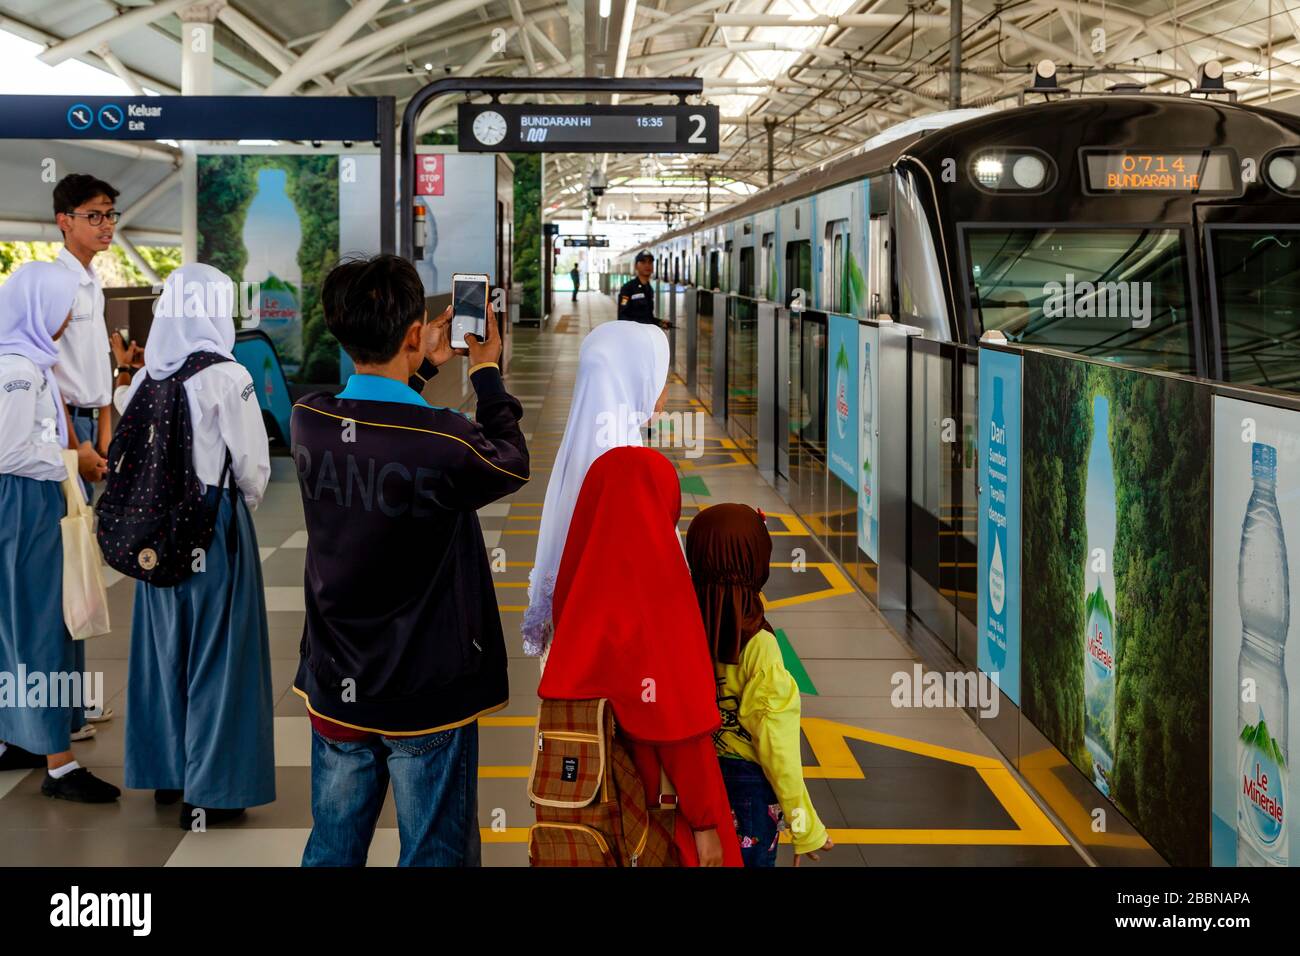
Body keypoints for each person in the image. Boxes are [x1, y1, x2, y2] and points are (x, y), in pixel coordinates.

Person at [292, 254, 529, 867]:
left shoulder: (309, 419)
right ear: (410, 333)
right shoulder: (444, 440)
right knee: (434, 853)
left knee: (333, 844)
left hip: (336, 676)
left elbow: (378, 426)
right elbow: (509, 458)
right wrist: (485, 370)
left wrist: (415, 371)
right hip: (425, 687)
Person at [117, 263, 276, 828]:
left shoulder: (143, 379)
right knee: (219, 656)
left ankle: (168, 773)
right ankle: (209, 791)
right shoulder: (228, 376)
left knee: (163, 652)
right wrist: (237, 509)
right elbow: (253, 467)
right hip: (213, 525)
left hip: (153, 534)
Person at [538, 446, 742, 867]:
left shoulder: (574, 588)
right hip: (653, 811)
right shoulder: (663, 595)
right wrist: (706, 825)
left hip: (582, 810)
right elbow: (680, 729)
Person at [0, 262, 120, 801]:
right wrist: (70, 459)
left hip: (32, 497)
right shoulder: (19, 368)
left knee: (28, 622)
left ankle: (23, 736)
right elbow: (8, 452)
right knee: (44, 623)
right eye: (62, 304)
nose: (70, 315)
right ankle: (59, 764)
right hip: (25, 502)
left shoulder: (32, 361)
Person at [685, 503, 834, 867]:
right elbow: (777, 748)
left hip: (689, 781)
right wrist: (805, 827)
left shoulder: (681, 632)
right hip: (747, 793)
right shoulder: (759, 646)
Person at [522, 320, 669, 660]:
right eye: (661, 379)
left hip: (570, 654)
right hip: (618, 656)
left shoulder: (576, 453)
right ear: (634, 379)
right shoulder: (632, 469)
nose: (665, 393)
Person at [52, 173, 121, 735]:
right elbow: (46, 371)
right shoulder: (52, 283)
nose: (106, 225)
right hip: (61, 435)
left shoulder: (90, 282)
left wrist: (103, 436)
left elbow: (97, 373)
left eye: (110, 215)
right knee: (62, 573)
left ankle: (71, 703)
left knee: (83, 573)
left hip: (88, 430)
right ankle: (56, 711)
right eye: (94, 215)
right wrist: (76, 450)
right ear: (64, 221)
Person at [617, 251, 667, 329]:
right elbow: (622, 316)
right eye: (643, 262)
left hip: (646, 332)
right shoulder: (627, 288)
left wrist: (659, 322)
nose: (647, 265)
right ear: (636, 266)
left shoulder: (649, 289)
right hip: (633, 332)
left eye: (650, 262)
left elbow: (647, 317)